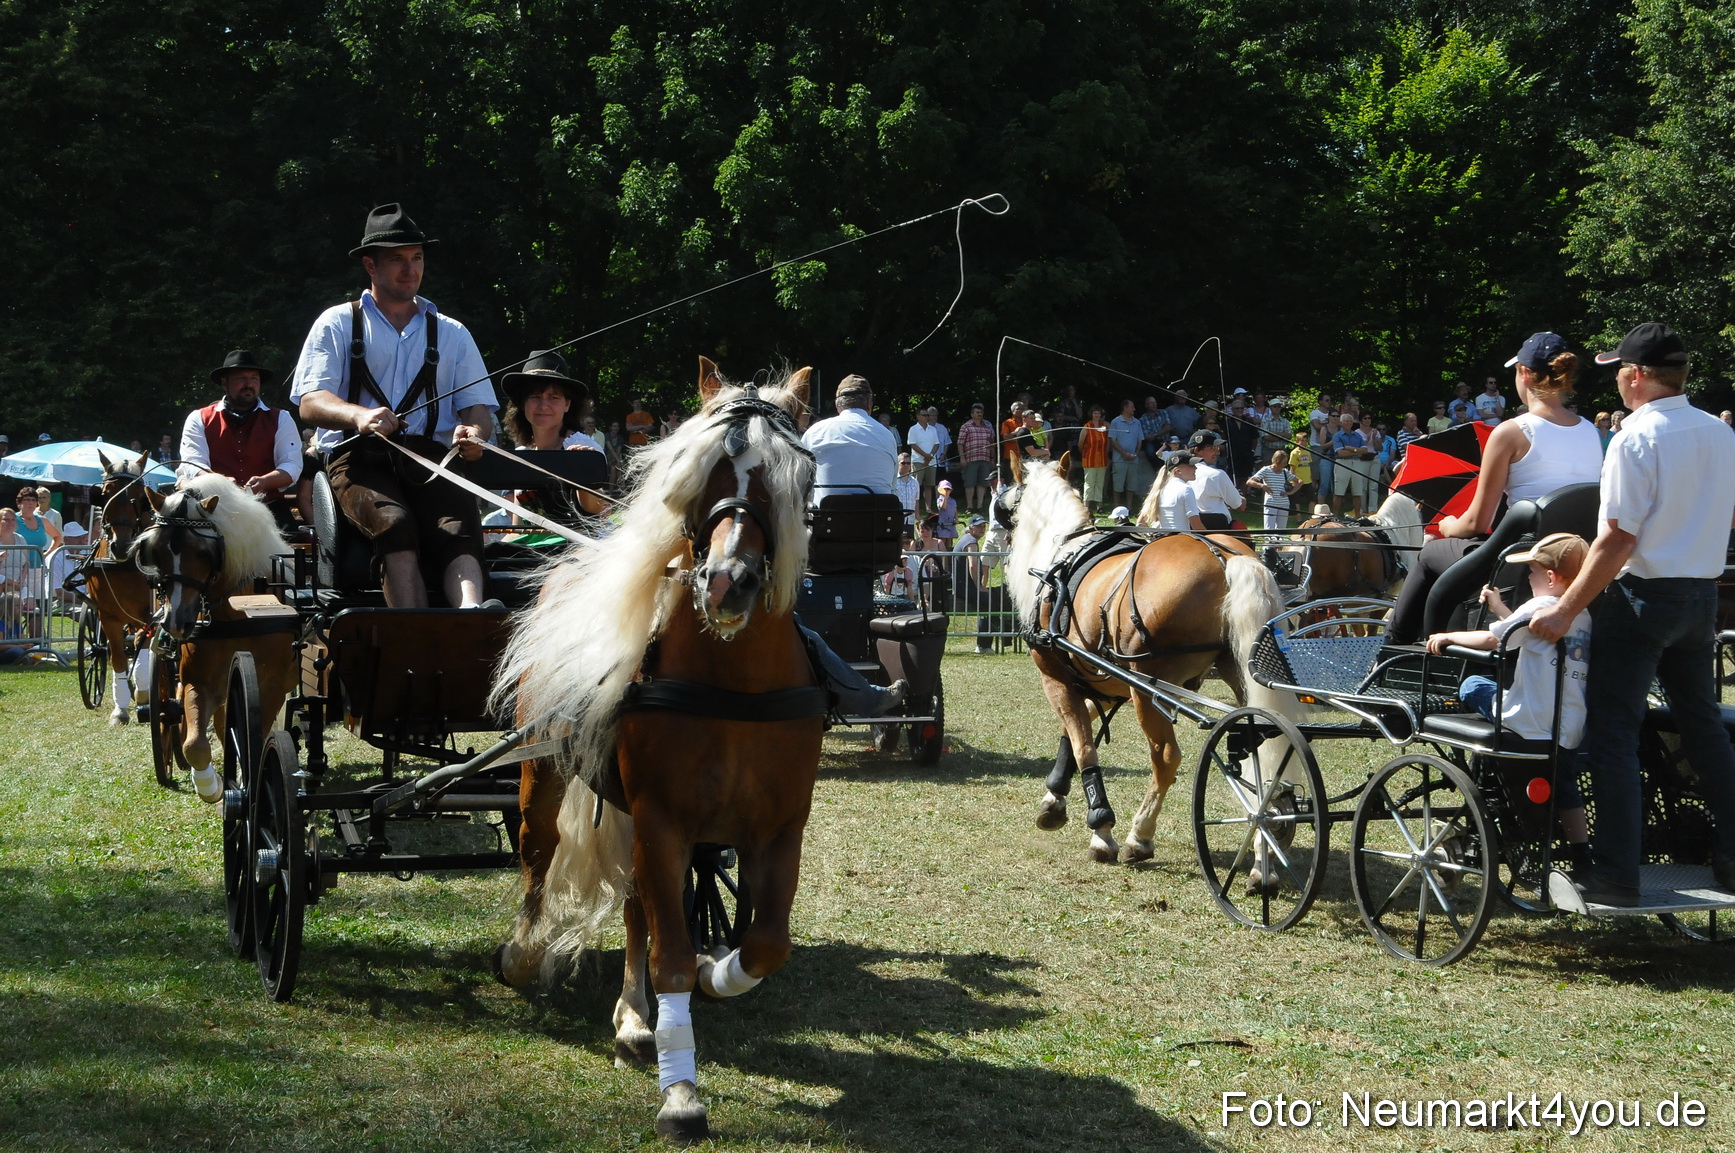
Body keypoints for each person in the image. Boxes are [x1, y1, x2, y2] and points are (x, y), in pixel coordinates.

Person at [1528, 322, 1735, 907]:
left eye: (1620, 369)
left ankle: (1617, 875)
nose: (1617, 378)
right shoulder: (1720, 433)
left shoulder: (1635, 438)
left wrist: (1565, 608)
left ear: (1637, 375)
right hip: (1701, 596)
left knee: (1613, 734)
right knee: (1704, 728)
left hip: (1643, 598)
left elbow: (1618, 538)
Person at [291, 203, 498, 609]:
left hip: (430, 459)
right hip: (357, 459)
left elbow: (477, 409)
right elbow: (311, 402)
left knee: (459, 528)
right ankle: (414, 633)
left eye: (417, 258)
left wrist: (474, 434)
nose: (410, 269)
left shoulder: (453, 333)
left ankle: (472, 619)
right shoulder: (336, 323)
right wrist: (359, 416)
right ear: (370, 265)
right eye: (397, 259)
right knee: (394, 524)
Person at [1389, 332, 1604, 643]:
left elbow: (1477, 522)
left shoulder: (1511, 432)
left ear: (1524, 373)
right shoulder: (1590, 431)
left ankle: (1393, 648)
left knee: (1431, 553)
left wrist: (1447, 526)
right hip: (1573, 556)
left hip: (1520, 558)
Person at [1425, 532, 1593, 866]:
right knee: (1566, 788)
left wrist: (1447, 636)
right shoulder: (1581, 614)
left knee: (1473, 684)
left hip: (1526, 718)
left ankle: (1482, 774)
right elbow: (1520, 632)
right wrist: (1500, 608)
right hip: (1568, 726)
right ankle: (1581, 855)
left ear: (1551, 577)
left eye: (1532, 571)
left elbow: (1493, 640)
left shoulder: (1539, 606)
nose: (1528, 577)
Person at [178, 349, 304, 535]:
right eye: (240, 378)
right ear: (224, 383)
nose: (249, 384)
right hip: (214, 511)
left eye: (254, 378)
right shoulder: (199, 419)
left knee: (290, 547)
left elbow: (292, 465)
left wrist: (264, 481)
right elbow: (193, 464)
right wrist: (220, 483)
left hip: (269, 509)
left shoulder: (281, 418)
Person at [498, 350, 608, 524]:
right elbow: (517, 529)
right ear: (522, 403)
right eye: (535, 397)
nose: (543, 405)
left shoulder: (583, 448)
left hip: (577, 540)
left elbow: (599, 510)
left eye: (553, 397)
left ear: (567, 404)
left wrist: (582, 472)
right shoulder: (523, 454)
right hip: (532, 541)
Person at [803, 374, 896, 496]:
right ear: (869, 403)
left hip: (827, 508)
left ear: (837, 405)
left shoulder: (814, 433)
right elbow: (892, 485)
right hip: (877, 508)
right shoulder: (887, 436)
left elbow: (801, 481)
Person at [1186, 431, 1245, 530]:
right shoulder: (1217, 474)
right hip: (1218, 528)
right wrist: (1242, 499)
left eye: (1217, 448)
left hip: (1190, 527)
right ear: (1197, 450)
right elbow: (1239, 506)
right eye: (1212, 448)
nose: (1217, 453)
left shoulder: (1181, 474)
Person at [1138, 452, 1205, 531]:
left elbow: (1140, 522)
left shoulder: (1159, 490)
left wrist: (1151, 534)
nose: (1195, 468)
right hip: (1182, 537)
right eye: (1191, 466)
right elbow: (1196, 526)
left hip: (1162, 537)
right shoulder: (1186, 489)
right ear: (1178, 470)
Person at [1246, 448, 1301, 531]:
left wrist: (1291, 492)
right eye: (1283, 462)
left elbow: (1300, 481)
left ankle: (1279, 540)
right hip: (1270, 503)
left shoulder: (1285, 471)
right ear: (1277, 461)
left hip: (1284, 504)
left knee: (1281, 530)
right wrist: (1262, 486)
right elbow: (1249, 482)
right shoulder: (1266, 470)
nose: (1285, 464)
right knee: (1269, 529)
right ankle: (1269, 540)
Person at [956, 402, 996, 513]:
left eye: (981, 412)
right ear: (972, 414)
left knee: (983, 483)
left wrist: (993, 458)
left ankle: (980, 506)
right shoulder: (966, 426)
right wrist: (962, 458)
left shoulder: (988, 427)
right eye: (977, 412)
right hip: (970, 459)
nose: (980, 414)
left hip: (985, 459)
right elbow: (960, 443)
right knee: (969, 483)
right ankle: (969, 506)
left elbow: (992, 444)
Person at [1106, 399, 1143, 509]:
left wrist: (1135, 454)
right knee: (1118, 485)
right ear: (1125, 408)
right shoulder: (1115, 422)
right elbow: (1113, 440)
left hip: (1133, 459)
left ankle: (1129, 508)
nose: (1134, 409)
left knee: (1131, 485)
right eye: (1132, 407)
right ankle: (1116, 507)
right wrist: (1123, 453)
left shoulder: (1137, 423)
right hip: (1119, 459)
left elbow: (1140, 440)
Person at [906, 409, 942, 511]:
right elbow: (913, 444)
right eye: (924, 415)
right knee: (916, 485)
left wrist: (930, 456)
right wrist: (925, 456)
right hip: (918, 460)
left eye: (927, 415)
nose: (927, 417)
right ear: (918, 416)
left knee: (929, 485)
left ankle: (928, 508)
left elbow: (937, 444)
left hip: (931, 461)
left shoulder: (933, 429)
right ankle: (914, 508)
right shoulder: (913, 429)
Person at [1078, 405, 1109, 517]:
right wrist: (1085, 454)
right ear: (1091, 414)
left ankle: (1099, 507)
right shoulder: (1087, 427)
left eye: (1099, 413)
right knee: (1089, 483)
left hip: (1102, 460)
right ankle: (1086, 507)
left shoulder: (1104, 427)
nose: (1097, 415)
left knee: (1099, 483)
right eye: (1095, 413)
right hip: (1090, 460)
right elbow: (1080, 444)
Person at [893, 453, 920, 529]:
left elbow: (916, 501)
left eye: (908, 463)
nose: (906, 465)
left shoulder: (915, 482)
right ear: (898, 464)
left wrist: (918, 517)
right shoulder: (893, 481)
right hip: (896, 519)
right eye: (903, 463)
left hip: (910, 520)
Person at [933, 479, 959, 546]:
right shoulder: (940, 499)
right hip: (943, 524)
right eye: (944, 489)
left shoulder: (953, 501)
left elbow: (955, 510)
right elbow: (943, 507)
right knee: (943, 540)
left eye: (948, 489)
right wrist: (945, 498)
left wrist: (956, 519)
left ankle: (949, 550)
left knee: (949, 540)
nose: (946, 491)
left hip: (951, 523)